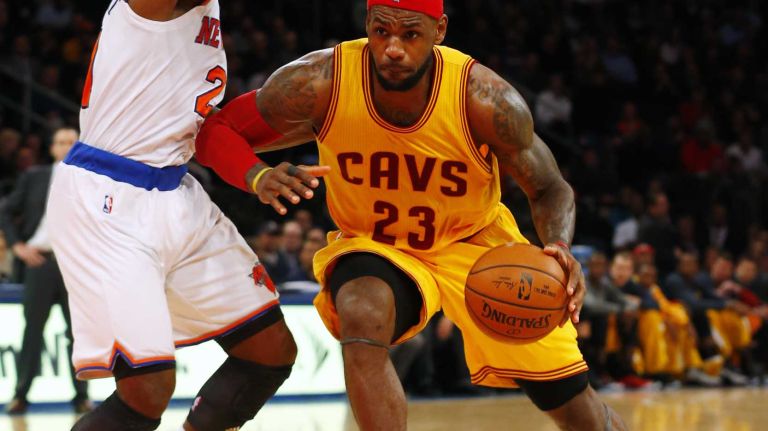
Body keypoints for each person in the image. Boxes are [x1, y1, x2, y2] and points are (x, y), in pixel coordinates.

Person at [195, 1, 626, 429]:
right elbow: (214, 130)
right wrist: (256, 175)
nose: (393, 49)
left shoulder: (484, 98)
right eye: (381, 32)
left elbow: (550, 188)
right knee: (360, 312)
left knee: (570, 403)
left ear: (439, 31)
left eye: (410, 35)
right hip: (377, 244)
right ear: (367, 24)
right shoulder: (321, 80)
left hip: (474, 244)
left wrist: (559, 247)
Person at [46, 1, 315, 430]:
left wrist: (255, 173)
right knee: (147, 391)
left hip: (175, 189)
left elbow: (205, 130)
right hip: (110, 197)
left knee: (270, 352)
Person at [1, 128, 91, 414]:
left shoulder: (92, 181)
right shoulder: (35, 177)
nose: (66, 147)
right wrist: (17, 245)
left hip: (73, 266)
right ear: (52, 148)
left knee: (78, 335)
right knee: (32, 333)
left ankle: (81, 397)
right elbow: (5, 209)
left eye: (71, 142)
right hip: (40, 263)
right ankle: (21, 396)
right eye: (61, 142)